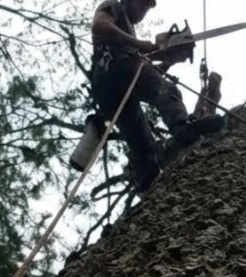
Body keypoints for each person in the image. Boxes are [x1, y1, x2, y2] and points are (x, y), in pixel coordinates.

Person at [91, 0, 223, 189]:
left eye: (147, 8)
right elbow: (100, 26)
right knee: (168, 90)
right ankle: (181, 126)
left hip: (108, 92)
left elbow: (146, 78)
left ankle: (146, 178)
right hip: (115, 69)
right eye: (143, 5)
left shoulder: (127, 30)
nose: (144, 11)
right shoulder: (114, 6)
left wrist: (169, 60)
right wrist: (142, 45)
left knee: (144, 147)